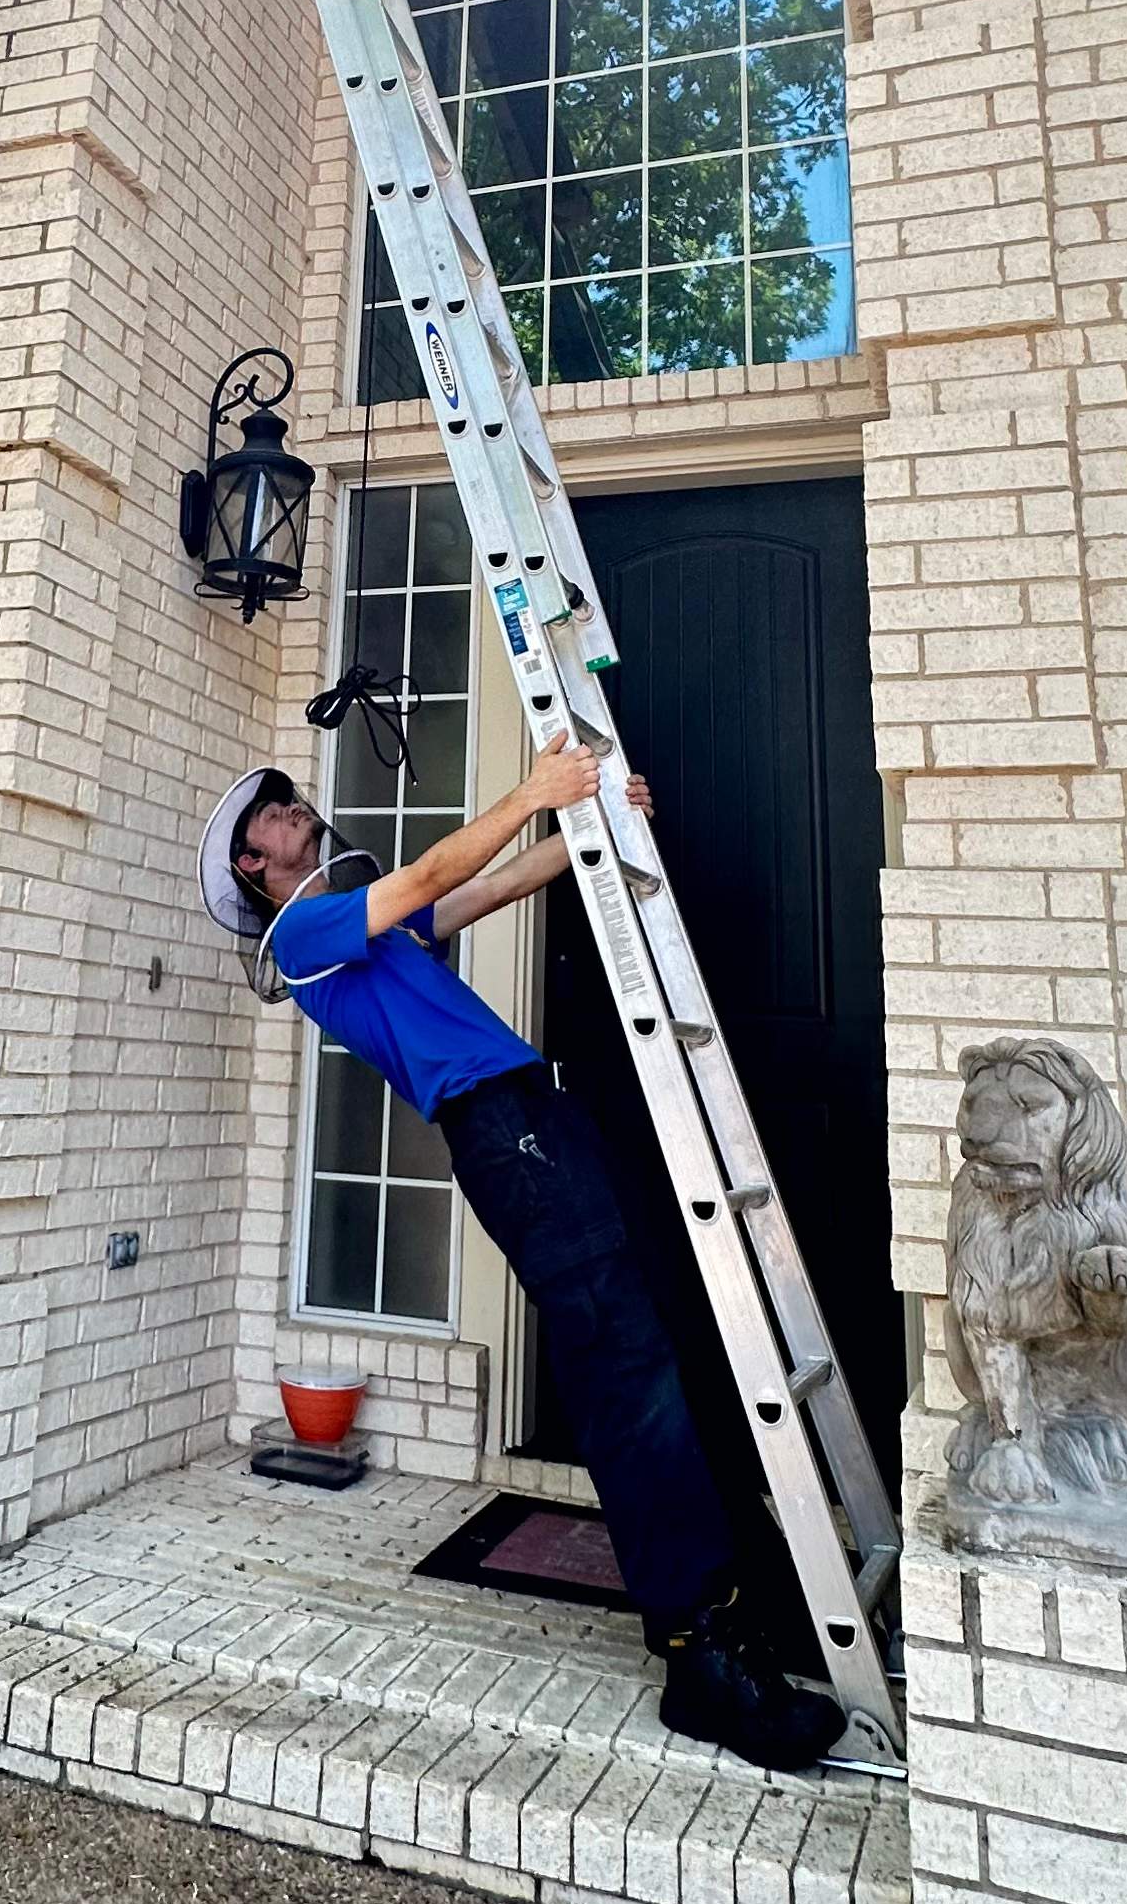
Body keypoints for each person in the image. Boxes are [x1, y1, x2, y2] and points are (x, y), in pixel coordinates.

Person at [198, 739, 844, 1772]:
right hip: (502, 1132)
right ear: (252, 864)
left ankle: (749, 1596)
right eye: (270, 811)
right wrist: (536, 790)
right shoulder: (307, 927)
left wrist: (591, 820)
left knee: (658, 1334)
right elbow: (432, 873)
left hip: (531, 1114)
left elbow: (483, 890)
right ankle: (698, 1650)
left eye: (285, 796)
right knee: (624, 1361)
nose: (291, 804)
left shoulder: (367, 931)